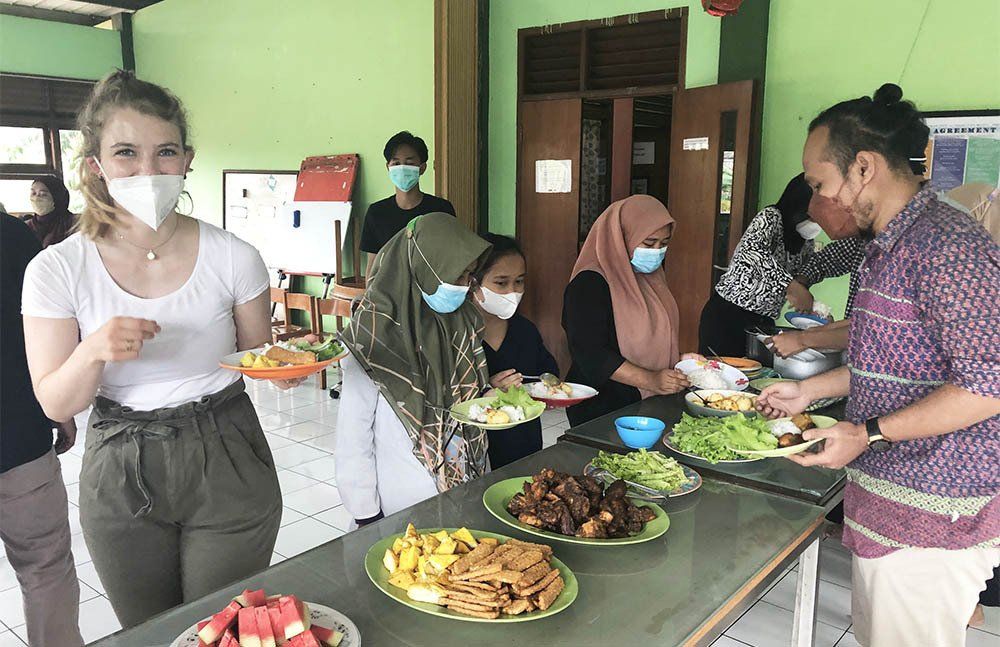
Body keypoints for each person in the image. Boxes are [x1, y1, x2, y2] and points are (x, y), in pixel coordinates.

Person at [20, 70, 293, 627]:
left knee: (223, 629)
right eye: (126, 153)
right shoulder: (57, 268)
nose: (148, 171)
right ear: (96, 164)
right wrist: (92, 349)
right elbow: (55, 404)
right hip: (120, 463)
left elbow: (260, 357)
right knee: (149, 632)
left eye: (165, 152)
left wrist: (286, 371)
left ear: (187, 159)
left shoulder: (234, 256)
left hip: (227, 449)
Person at [756, 83, 1000, 647]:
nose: (816, 199)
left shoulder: (946, 245)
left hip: (936, 512)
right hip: (889, 501)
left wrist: (865, 432)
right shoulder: (886, 248)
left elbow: (988, 385)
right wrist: (809, 392)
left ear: (863, 168)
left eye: (820, 183)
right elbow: (879, 360)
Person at [336, 213, 491, 527]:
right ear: (425, 268)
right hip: (401, 502)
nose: (465, 286)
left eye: (469, 275)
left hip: (466, 479)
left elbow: (466, 394)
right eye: (457, 276)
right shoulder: (371, 336)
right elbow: (353, 435)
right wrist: (366, 513)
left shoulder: (461, 321)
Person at [1, 213, 84, 647]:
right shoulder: (12, 237)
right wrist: (58, 411)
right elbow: (42, 334)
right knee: (45, 568)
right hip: (19, 438)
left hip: (21, 438)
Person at [562, 195, 702, 426]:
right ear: (621, 237)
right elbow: (590, 353)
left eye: (664, 243)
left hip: (648, 402)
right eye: (648, 243)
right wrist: (649, 379)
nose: (657, 251)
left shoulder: (651, 278)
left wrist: (678, 360)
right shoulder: (590, 283)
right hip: (602, 405)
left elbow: (651, 336)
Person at [699, 173, 823, 356]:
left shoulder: (805, 241)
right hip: (729, 315)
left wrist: (810, 306)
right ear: (799, 205)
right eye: (812, 215)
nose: (816, 222)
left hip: (763, 321)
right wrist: (790, 285)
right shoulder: (771, 217)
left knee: (757, 375)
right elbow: (752, 251)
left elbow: (799, 279)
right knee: (721, 375)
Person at [472, 234, 559, 468]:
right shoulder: (459, 335)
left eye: (519, 281)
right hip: (478, 450)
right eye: (501, 283)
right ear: (473, 283)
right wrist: (488, 391)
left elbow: (548, 372)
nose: (513, 291)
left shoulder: (524, 330)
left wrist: (548, 389)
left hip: (524, 444)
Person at [359, 131, 456, 277]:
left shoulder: (441, 209)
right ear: (388, 167)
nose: (402, 168)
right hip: (390, 295)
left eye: (410, 163)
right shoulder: (376, 212)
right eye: (396, 163)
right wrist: (370, 297)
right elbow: (373, 266)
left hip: (431, 293)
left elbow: (451, 258)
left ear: (422, 168)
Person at [24, 175, 77, 248]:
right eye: (33, 193)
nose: (36, 198)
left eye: (43, 194)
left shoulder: (74, 224)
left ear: (57, 197)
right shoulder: (26, 227)